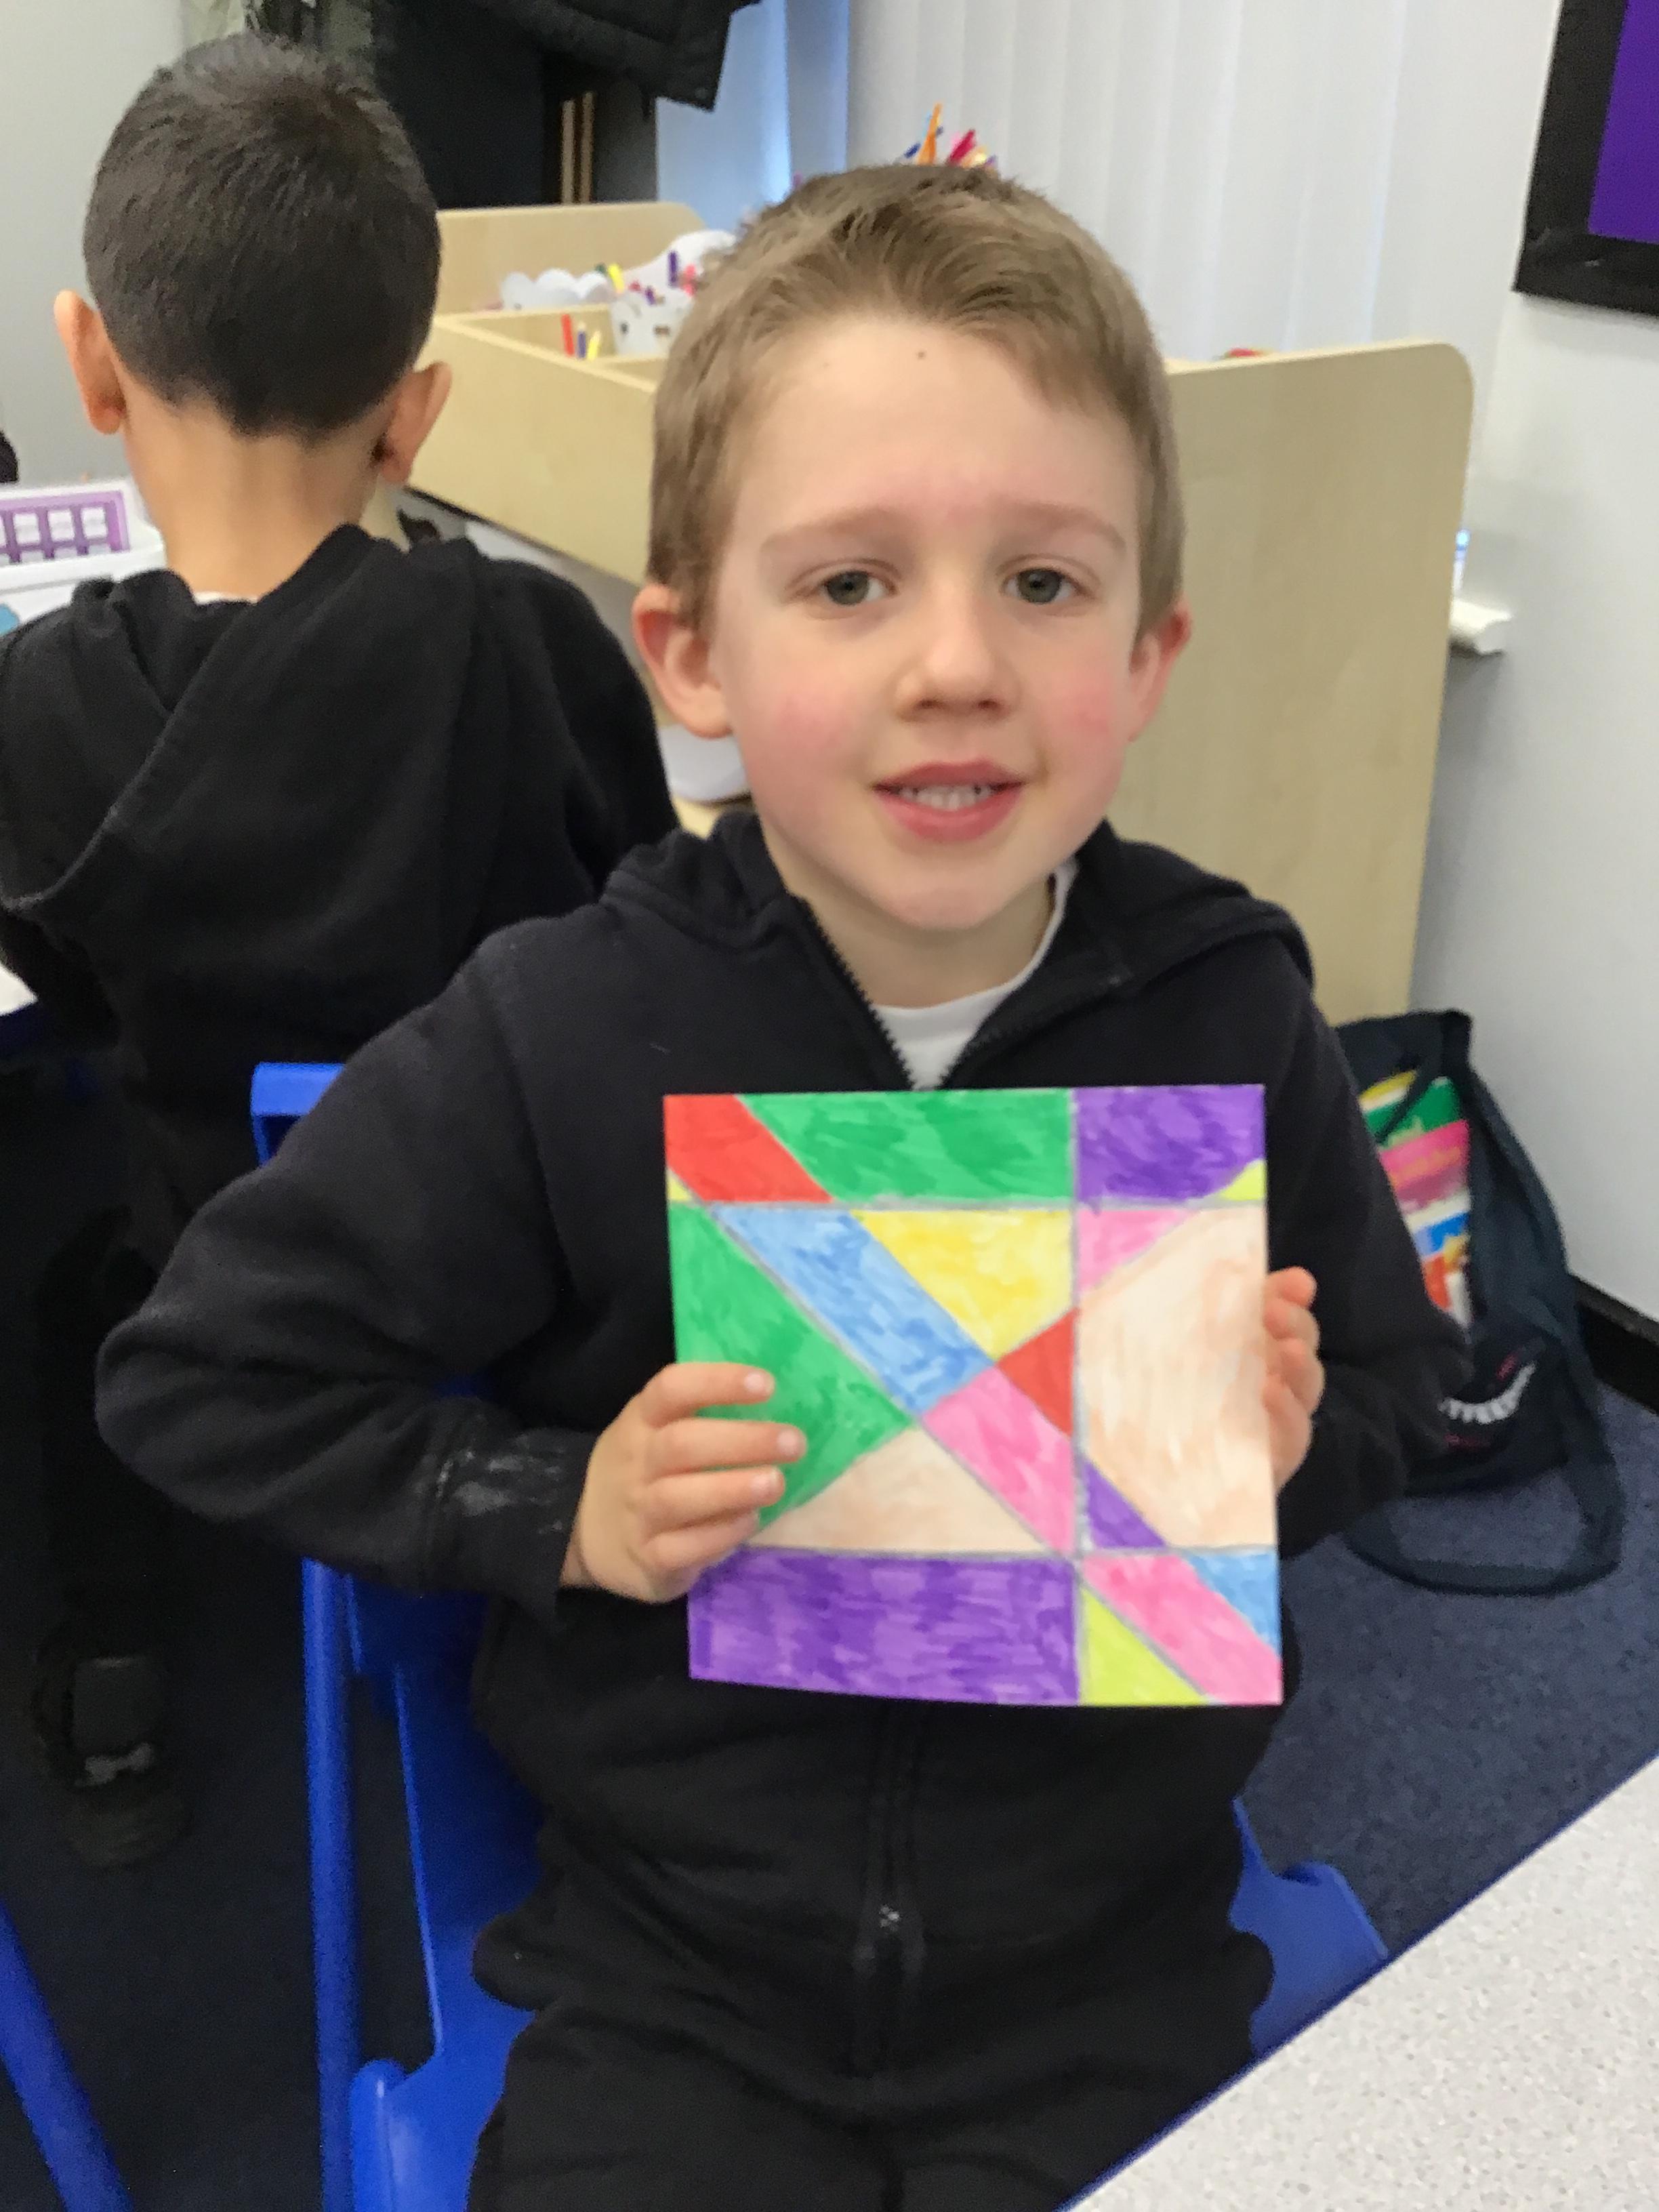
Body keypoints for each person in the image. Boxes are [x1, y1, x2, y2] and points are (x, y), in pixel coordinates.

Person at [99, 163, 1461, 2204]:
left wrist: (1278, 1454)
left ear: (1149, 653)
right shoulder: (569, 1024)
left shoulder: (1227, 1008)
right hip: (677, 1976)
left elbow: (1405, 1396)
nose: (957, 662)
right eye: (850, 584)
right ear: (688, 653)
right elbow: (195, 1375)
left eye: (1045, 582)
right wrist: (562, 1505)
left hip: (1105, 1959)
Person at [0, 33, 674, 1868]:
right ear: (416, 412)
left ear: (90, 367)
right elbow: (642, 926)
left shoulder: (41, 707)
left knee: (76, 1299)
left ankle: (113, 1676)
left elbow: (65, 988)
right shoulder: (533, 651)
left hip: (229, 1276)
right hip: (525, 1282)